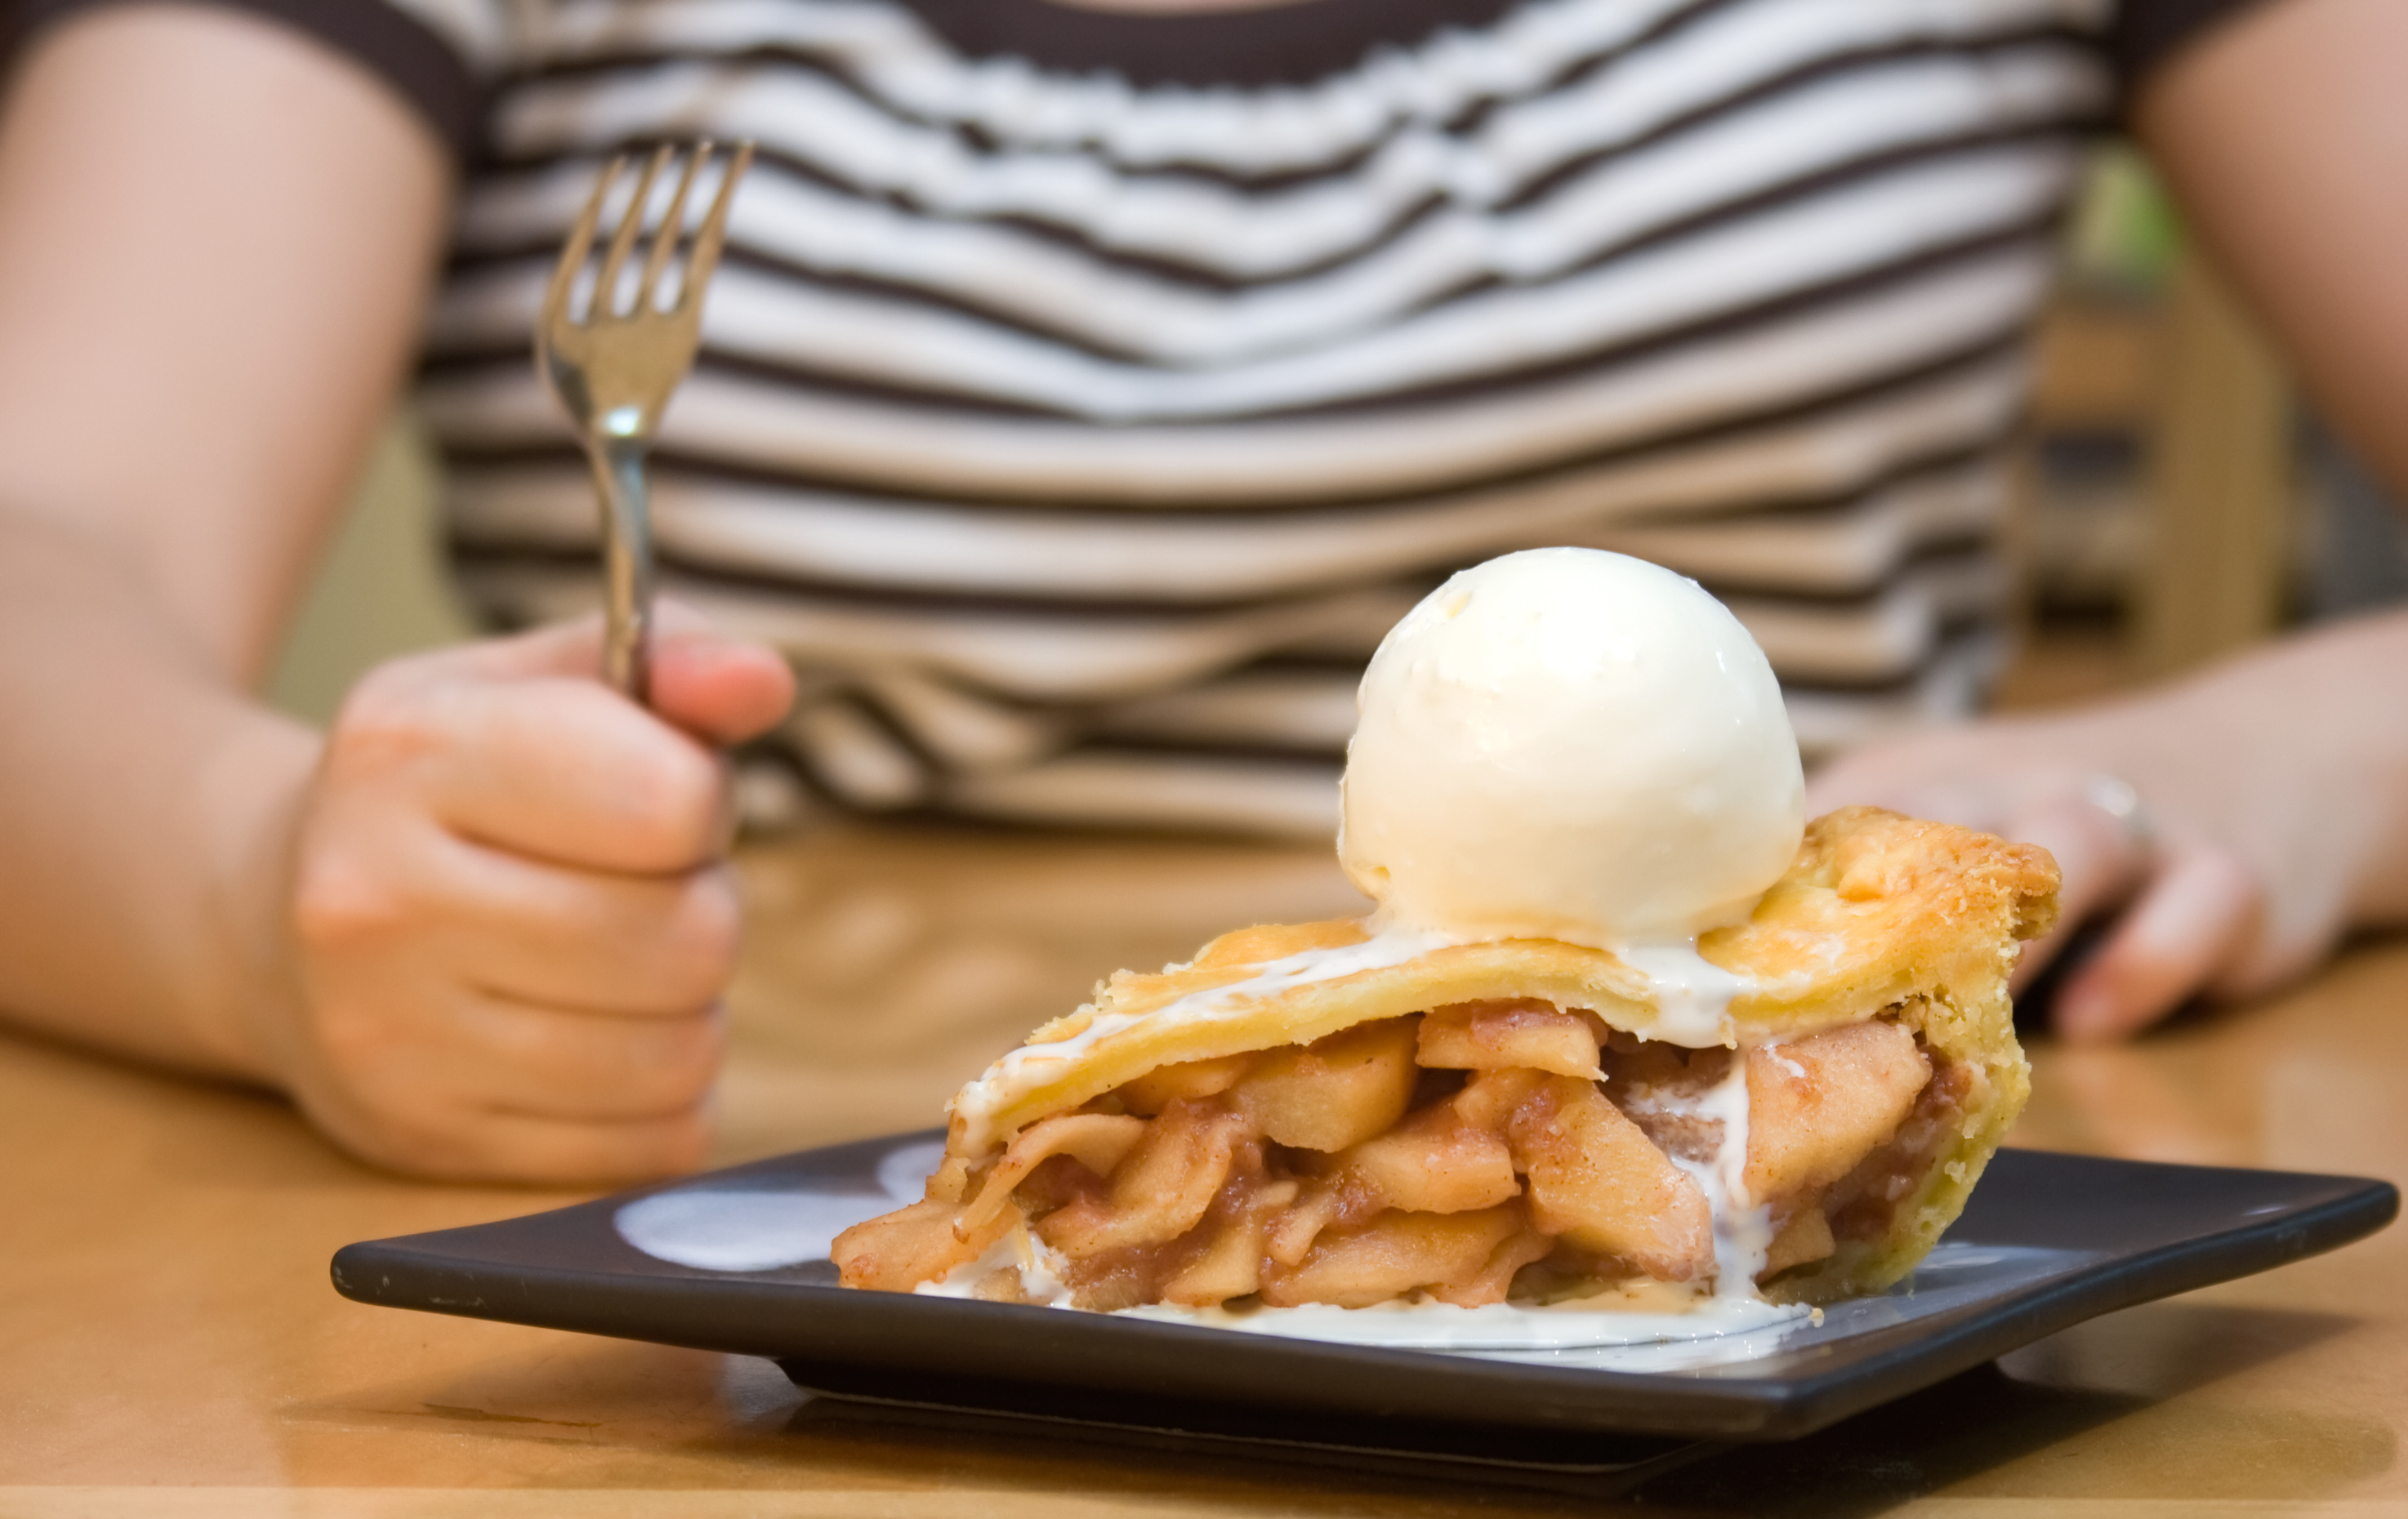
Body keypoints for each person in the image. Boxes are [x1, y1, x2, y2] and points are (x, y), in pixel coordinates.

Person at [0, 0, 2399, 1182]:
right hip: (750, 1225)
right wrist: (251, 887)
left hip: (1806, 1221)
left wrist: (2270, 752)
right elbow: (45, 548)